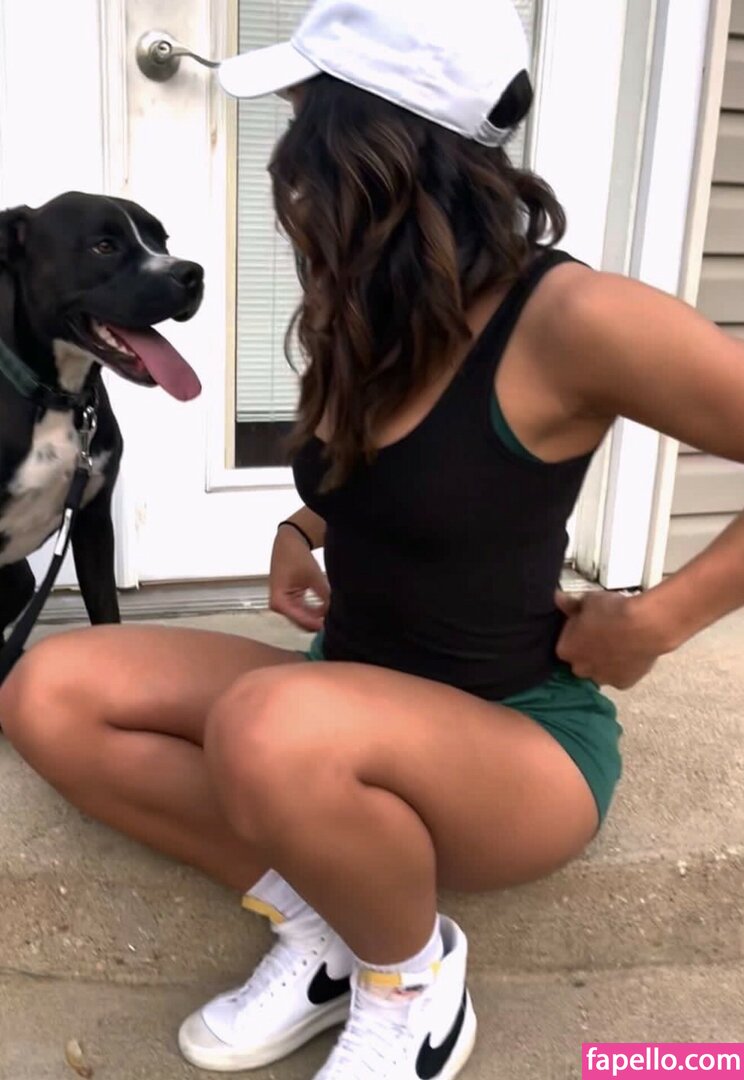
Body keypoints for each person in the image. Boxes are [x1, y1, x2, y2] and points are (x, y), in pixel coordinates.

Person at [2, 0, 744, 1076]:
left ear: (370, 144)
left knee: (269, 725)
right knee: (48, 692)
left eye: (302, 117)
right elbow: (414, 468)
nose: (284, 160)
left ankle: (412, 984)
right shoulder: (377, 300)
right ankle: (325, 927)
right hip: (340, 698)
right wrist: (305, 521)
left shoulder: (574, 319)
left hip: (516, 741)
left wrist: (660, 620)